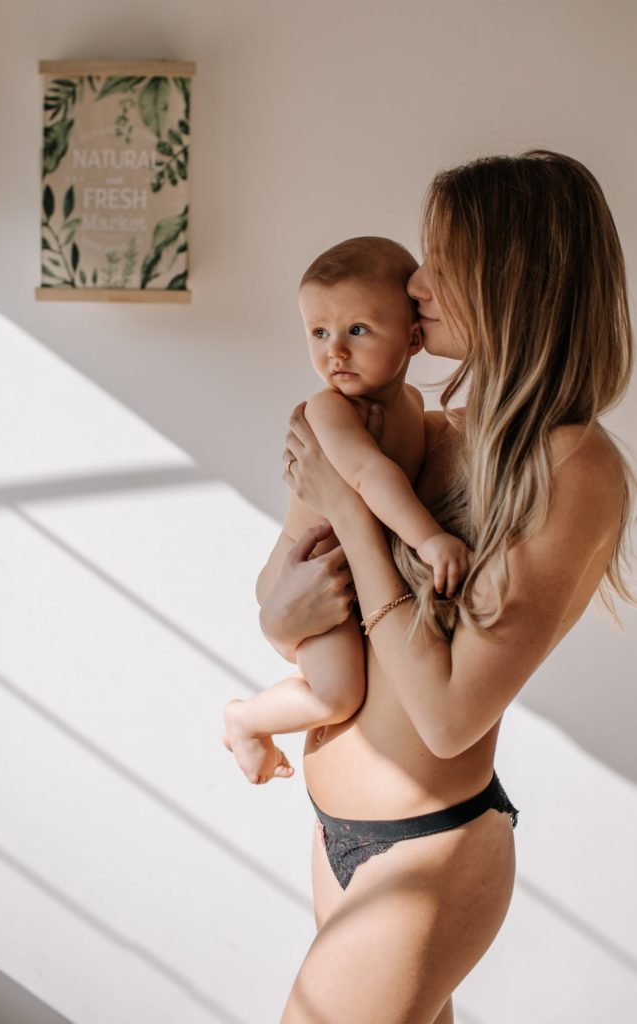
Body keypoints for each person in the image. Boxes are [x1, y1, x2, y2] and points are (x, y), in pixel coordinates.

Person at [258, 151, 634, 1023]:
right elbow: (312, 621)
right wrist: (280, 616)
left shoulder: (572, 465)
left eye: (443, 260)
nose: (415, 281)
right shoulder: (429, 430)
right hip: (336, 830)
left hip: (426, 853)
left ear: (516, 280)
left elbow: (446, 714)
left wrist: (348, 511)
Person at [223, 237, 470, 785]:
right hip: (306, 568)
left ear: (411, 339)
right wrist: (429, 540)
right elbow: (367, 476)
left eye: (356, 330)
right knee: (337, 694)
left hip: (348, 573)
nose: (334, 351)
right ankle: (245, 720)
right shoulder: (328, 409)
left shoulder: (413, 407)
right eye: (318, 332)